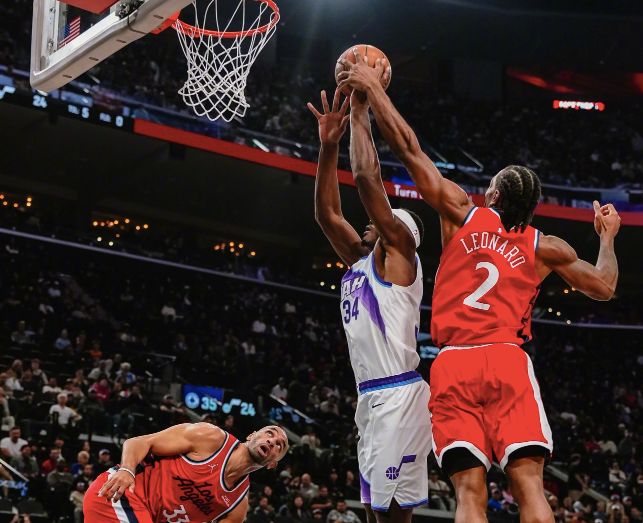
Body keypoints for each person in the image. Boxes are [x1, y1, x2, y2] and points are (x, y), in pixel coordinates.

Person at [338, 51, 620, 523]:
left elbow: (409, 149)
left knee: (470, 493)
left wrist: (372, 91)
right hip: (507, 360)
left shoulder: (461, 213)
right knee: (529, 486)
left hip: (454, 363)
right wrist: (607, 238)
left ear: (493, 195)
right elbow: (604, 287)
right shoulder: (545, 246)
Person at [308, 87, 431, 523]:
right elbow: (327, 215)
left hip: (397, 394)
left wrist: (360, 112)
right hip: (372, 397)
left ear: (397, 230)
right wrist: (328, 146)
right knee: (377, 512)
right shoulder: (362, 263)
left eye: (380, 220)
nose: (368, 221)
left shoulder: (400, 256)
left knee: (388, 515)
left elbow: (365, 179)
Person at [84, 423, 288, 522]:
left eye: (280, 445)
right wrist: (127, 469)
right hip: (120, 494)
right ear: (252, 435)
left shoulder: (236, 507)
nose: (272, 441)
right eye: (269, 433)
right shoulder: (211, 438)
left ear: (273, 464)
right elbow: (140, 442)